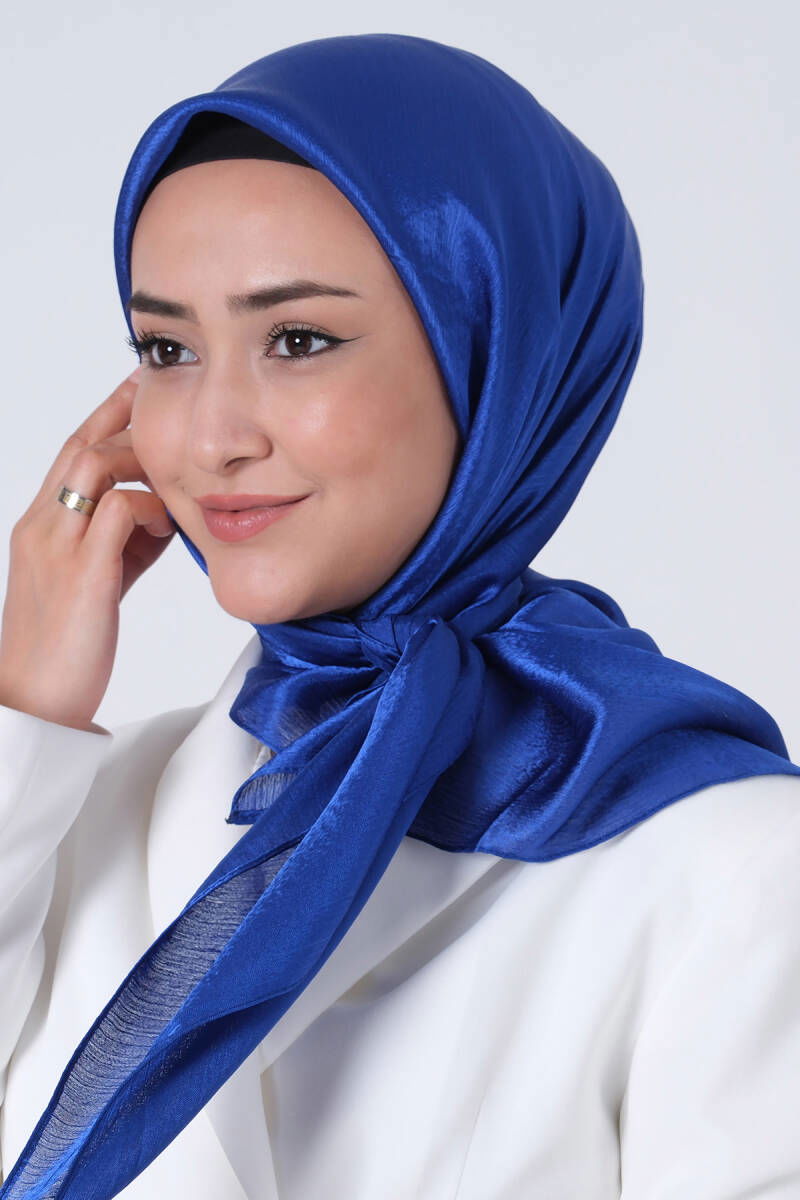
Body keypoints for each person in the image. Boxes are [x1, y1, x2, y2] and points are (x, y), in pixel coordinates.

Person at [1, 32, 799, 1200]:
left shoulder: (730, 865)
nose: (211, 436)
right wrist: (23, 709)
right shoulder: (74, 819)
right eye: (166, 349)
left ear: (496, 361)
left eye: (298, 341)